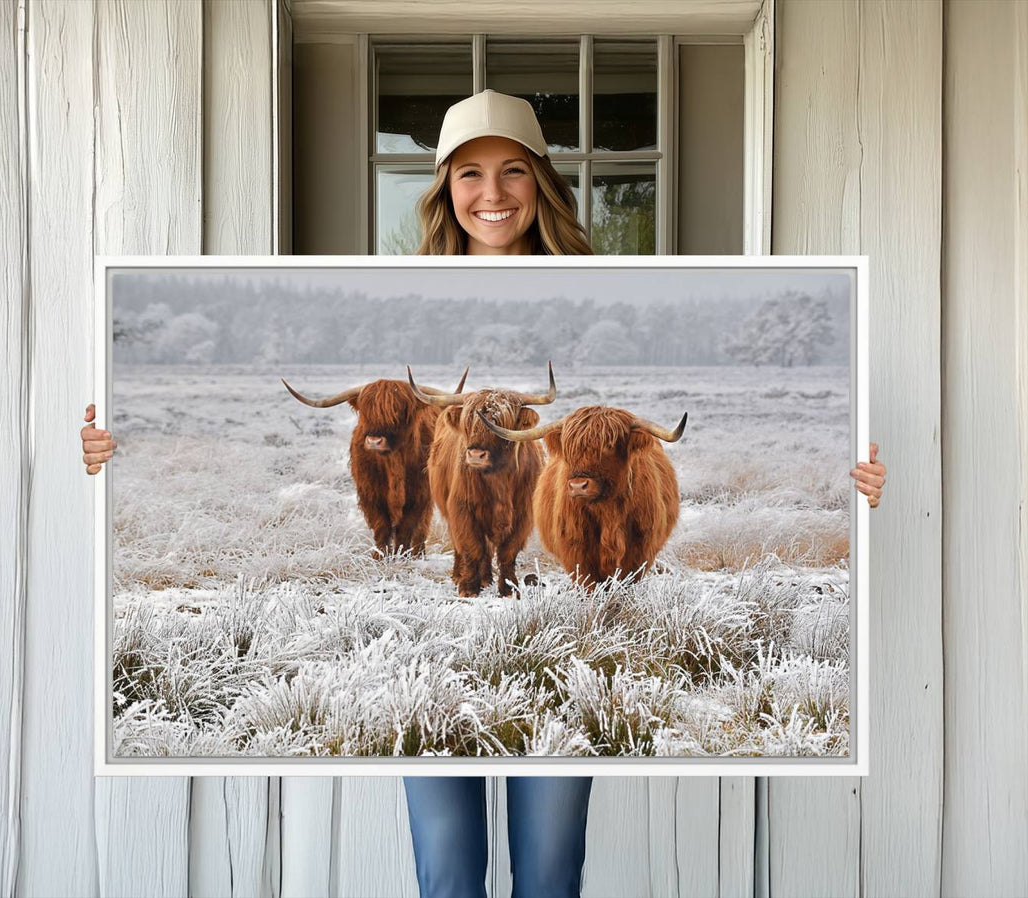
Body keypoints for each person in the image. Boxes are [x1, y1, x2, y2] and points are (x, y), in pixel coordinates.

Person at [79, 89, 887, 898]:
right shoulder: (392, 295)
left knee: (548, 871)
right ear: (442, 189)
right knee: (447, 873)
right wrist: (115, 453)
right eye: (469, 174)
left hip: (563, 628)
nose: (492, 194)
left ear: (542, 182)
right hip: (421, 658)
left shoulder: (606, 288)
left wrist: (854, 484)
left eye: (512, 172)